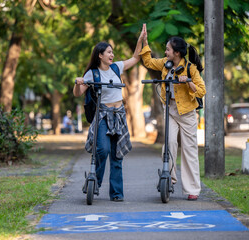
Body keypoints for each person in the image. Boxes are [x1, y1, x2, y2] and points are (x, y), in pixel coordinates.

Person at [73, 29, 145, 202]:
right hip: (103, 115)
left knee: (117, 154)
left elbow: (136, 58)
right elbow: (77, 93)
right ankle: (93, 183)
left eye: (112, 52)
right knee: (102, 150)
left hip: (119, 114)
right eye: (109, 52)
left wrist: (141, 39)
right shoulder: (93, 74)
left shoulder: (116, 67)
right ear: (100, 55)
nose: (112, 54)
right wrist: (78, 83)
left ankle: (116, 193)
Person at [139, 24, 206, 201]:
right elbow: (148, 61)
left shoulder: (190, 68)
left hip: (187, 113)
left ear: (177, 52)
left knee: (189, 150)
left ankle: (192, 189)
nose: (165, 52)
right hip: (169, 109)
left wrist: (188, 82)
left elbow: (201, 90)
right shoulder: (165, 64)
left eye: (168, 49)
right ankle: (169, 178)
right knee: (168, 144)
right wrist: (145, 41)